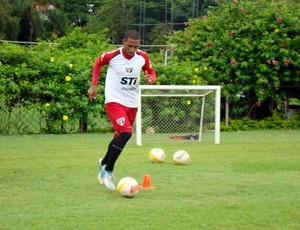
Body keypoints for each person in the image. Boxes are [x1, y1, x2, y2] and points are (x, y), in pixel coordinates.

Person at [87, 30, 156, 190]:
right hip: (114, 101)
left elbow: (151, 72)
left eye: (135, 46)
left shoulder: (143, 57)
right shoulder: (112, 56)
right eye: (129, 46)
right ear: (123, 41)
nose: (132, 49)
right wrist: (94, 84)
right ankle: (108, 171)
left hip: (132, 103)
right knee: (126, 132)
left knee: (120, 136)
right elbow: (98, 62)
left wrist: (151, 78)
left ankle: (103, 162)